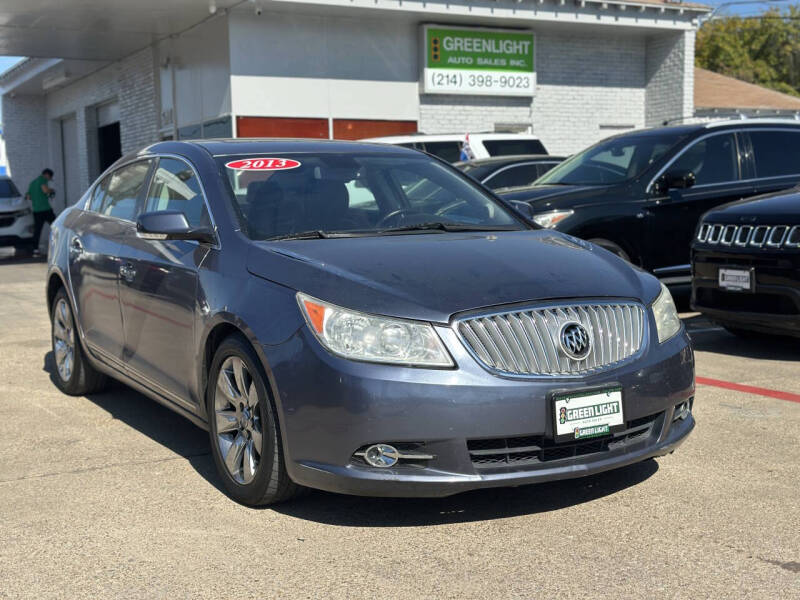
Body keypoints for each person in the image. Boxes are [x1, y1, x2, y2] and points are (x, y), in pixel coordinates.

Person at [28, 168, 56, 256]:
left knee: (37, 230)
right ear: (47, 175)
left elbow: (28, 197)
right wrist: (51, 190)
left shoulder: (32, 183)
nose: (49, 180)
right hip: (45, 209)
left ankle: (35, 250)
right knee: (56, 226)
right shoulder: (42, 180)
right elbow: (45, 190)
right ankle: (60, 244)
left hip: (36, 211)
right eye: (49, 178)